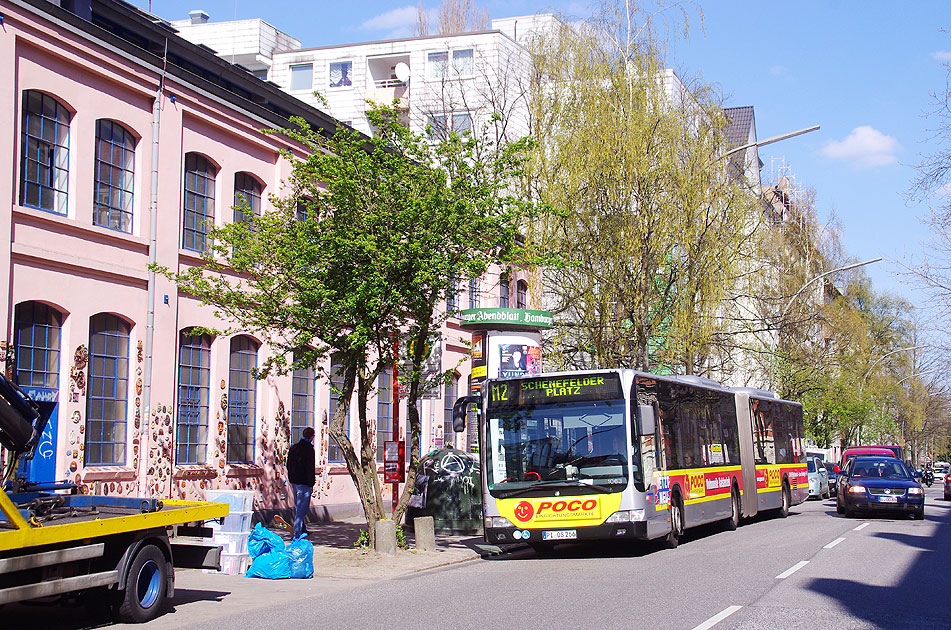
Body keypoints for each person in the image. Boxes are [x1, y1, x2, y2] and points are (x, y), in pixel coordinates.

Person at [286, 427, 316, 538]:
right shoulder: (309, 449)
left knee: (298, 505)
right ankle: (297, 532)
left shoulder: (294, 447)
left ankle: (303, 529)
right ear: (311, 436)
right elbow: (310, 468)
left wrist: (291, 477)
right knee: (302, 509)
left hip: (294, 481)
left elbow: (288, 464)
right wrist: (311, 483)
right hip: (304, 482)